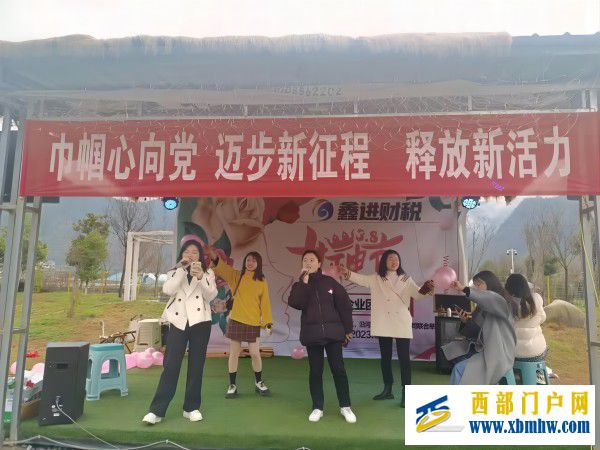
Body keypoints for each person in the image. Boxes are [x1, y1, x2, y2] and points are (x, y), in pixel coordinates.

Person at [338, 250, 434, 408]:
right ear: (384, 261)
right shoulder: (376, 278)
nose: (394, 261)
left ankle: (406, 393)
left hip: (401, 322)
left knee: (404, 360)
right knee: (385, 358)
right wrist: (347, 273)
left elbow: (417, 295)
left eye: (396, 259)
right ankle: (387, 389)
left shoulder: (406, 279)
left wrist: (426, 289)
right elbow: (361, 279)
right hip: (384, 322)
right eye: (390, 259)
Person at [143, 237, 217, 425]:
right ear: (182, 254)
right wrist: (182, 271)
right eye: (187, 252)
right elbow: (168, 290)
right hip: (178, 321)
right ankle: (157, 410)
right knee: (171, 365)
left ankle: (191, 408)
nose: (191, 255)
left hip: (200, 322)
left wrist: (200, 277)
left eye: (195, 252)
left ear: (200, 256)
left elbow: (211, 296)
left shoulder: (208, 273)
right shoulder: (174, 271)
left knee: (196, 366)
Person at [288, 250, 357, 424]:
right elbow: (296, 303)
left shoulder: (329, 282)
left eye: (312, 260)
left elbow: (344, 305)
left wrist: (348, 328)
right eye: (305, 260)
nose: (308, 262)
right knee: (315, 371)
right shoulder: (299, 285)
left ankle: (345, 406)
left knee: (338, 370)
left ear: (319, 264)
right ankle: (317, 407)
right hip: (313, 335)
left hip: (333, 334)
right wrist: (304, 282)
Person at [209, 247, 273, 398]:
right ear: (244, 262)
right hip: (237, 319)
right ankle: (232, 385)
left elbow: (265, 302)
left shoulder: (262, 280)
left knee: (255, 354)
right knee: (234, 354)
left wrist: (268, 322)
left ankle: (258, 382)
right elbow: (222, 267)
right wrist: (213, 255)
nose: (250, 263)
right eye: (248, 260)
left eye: (254, 260)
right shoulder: (236, 275)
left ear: (259, 263)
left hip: (253, 321)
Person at [443, 271, 518, 385]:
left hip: (498, 354)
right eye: (475, 284)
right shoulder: (483, 306)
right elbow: (475, 331)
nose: (476, 287)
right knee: (450, 352)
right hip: (485, 349)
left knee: (459, 369)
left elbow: (489, 298)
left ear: (490, 283)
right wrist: (465, 321)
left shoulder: (501, 302)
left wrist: (463, 289)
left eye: (479, 284)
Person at [505, 274, 548, 368]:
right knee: (545, 348)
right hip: (537, 353)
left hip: (514, 354)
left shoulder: (506, 304)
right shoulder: (536, 299)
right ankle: (539, 373)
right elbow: (543, 318)